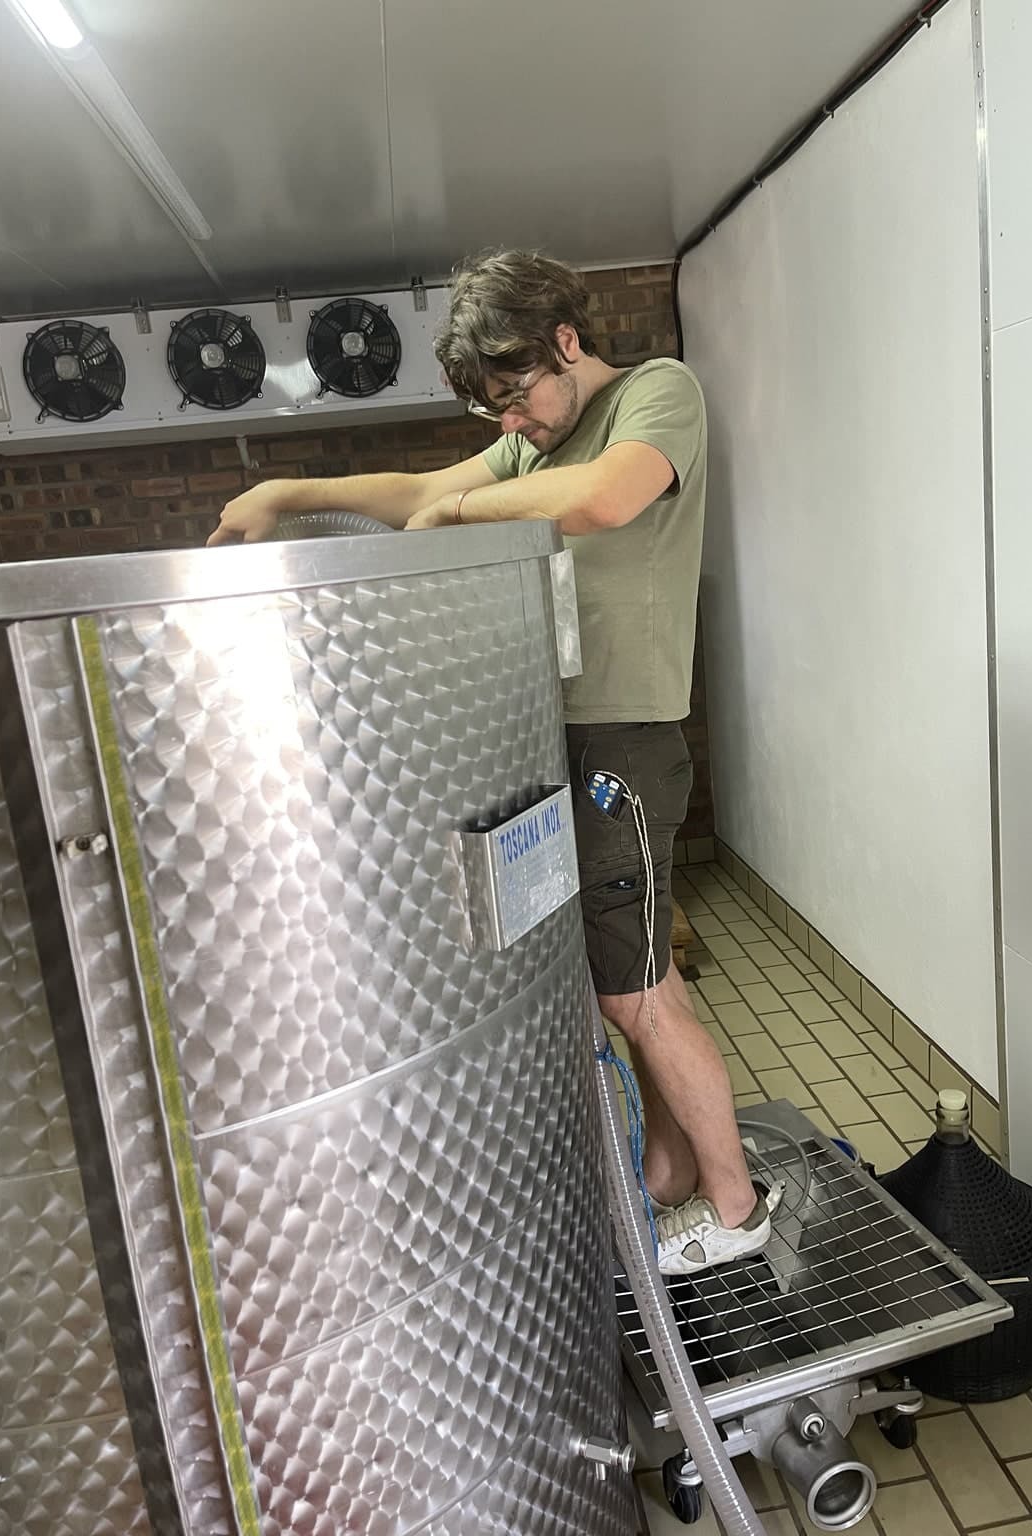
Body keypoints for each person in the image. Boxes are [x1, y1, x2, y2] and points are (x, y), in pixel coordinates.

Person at [208, 250, 775, 1275]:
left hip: (627, 737)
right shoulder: (535, 439)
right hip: (565, 733)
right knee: (620, 979)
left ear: (566, 342)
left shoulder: (655, 395)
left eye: (517, 397)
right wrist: (285, 490)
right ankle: (669, 1169)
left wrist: (462, 514)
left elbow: (608, 497)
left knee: (639, 991)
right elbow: (419, 486)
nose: (513, 426)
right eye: (496, 413)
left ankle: (736, 1206)